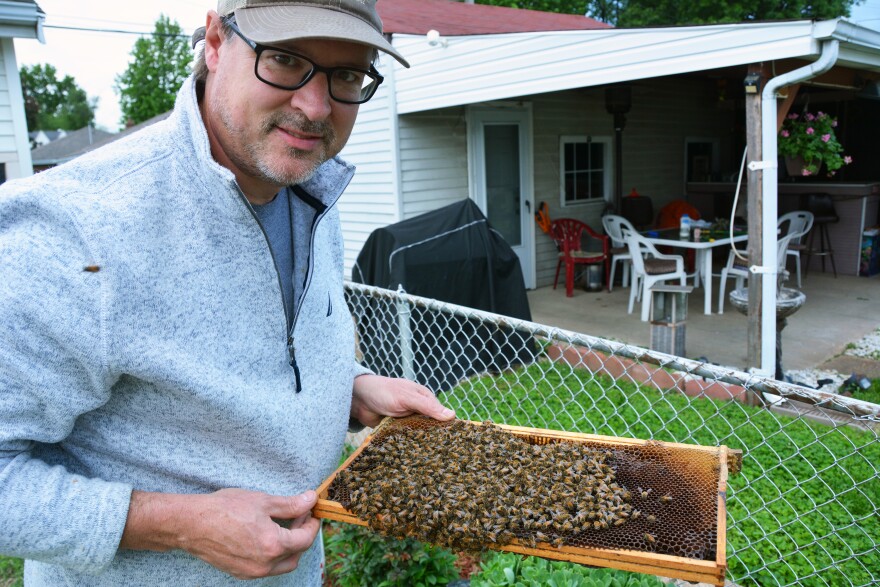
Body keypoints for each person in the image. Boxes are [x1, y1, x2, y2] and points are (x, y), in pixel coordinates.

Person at [0, 0, 455, 584]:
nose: (315, 108)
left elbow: (251, 357)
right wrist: (181, 523)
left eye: (345, 75)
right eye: (286, 60)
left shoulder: (307, 185)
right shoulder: (77, 227)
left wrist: (349, 387)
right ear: (214, 43)